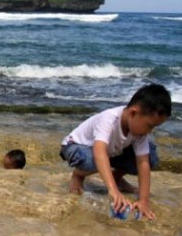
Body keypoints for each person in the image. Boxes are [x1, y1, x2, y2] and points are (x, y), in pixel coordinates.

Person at [59, 83, 171, 220]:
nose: (150, 131)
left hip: (109, 153)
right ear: (133, 113)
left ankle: (116, 177)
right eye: (149, 125)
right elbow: (99, 151)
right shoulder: (109, 119)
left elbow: (143, 163)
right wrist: (113, 190)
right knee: (91, 161)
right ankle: (78, 175)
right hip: (77, 147)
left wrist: (144, 201)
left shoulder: (139, 132)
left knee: (151, 157)